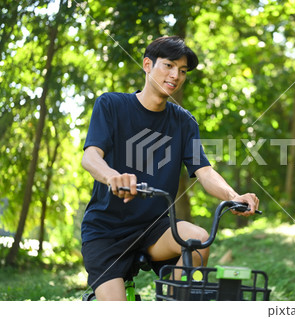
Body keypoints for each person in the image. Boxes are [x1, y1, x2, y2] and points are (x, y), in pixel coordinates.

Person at [81, 36, 259, 301]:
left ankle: (173, 304)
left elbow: (204, 171)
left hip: (154, 228)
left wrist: (234, 197)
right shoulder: (111, 105)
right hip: (105, 230)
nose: (175, 75)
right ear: (147, 65)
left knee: (197, 241)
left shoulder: (184, 122)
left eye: (183, 70)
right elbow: (91, 157)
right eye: (168, 66)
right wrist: (113, 177)